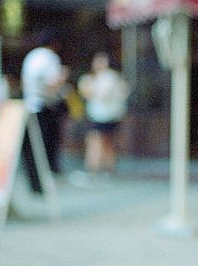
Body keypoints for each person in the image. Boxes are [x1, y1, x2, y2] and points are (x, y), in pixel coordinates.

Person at [20, 28, 70, 193]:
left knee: (32, 149)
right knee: (45, 148)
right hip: (45, 108)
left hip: (30, 106)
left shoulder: (31, 56)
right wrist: (63, 77)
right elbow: (52, 84)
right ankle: (44, 184)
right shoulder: (50, 58)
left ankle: (35, 185)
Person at [77, 52, 130, 176]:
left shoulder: (108, 77)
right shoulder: (105, 77)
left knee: (94, 140)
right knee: (106, 142)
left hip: (104, 116)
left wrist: (88, 89)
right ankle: (108, 168)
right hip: (107, 115)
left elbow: (102, 95)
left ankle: (92, 169)